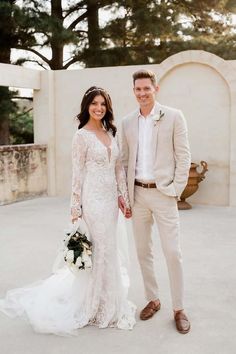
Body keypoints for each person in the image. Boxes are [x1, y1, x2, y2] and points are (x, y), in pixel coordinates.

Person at [0, 86, 136, 335]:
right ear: (87, 107)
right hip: (92, 199)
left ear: (107, 107)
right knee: (98, 249)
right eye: (94, 103)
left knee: (110, 249)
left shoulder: (110, 131)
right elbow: (78, 173)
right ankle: (93, 305)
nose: (99, 108)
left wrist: (123, 197)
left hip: (110, 201)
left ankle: (109, 300)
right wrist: (76, 207)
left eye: (103, 104)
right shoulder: (81, 136)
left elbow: (117, 168)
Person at [119, 69, 191, 334]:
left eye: (146, 88)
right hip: (137, 195)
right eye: (137, 89)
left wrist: (175, 190)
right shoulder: (127, 122)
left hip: (164, 194)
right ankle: (153, 298)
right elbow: (124, 161)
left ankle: (179, 308)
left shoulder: (173, 116)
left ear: (155, 89)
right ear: (133, 91)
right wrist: (125, 196)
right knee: (142, 251)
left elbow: (184, 157)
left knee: (172, 252)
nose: (142, 93)